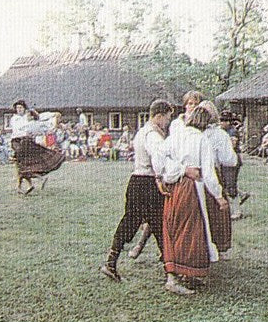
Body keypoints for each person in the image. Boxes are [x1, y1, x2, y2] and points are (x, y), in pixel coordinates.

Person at [160, 103, 229, 296]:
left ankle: (183, 275)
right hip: (191, 188)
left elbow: (159, 157)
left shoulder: (175, 136)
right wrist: (219, 196)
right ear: (206, 124)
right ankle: (178, 277)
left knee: (174, 227)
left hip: (174, 187)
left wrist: (167, 173)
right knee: (190, 231)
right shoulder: (201, 140)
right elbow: (208, 172)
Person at [100, 100, 172, 284]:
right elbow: (158, 157)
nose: (168, 122)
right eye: (167, 117)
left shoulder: (144, 131)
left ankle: (111, 262)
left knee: (137, 222)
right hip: (147, 182)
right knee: (157, 224)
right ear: (159, 116)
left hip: (138, 181)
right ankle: (170, 270)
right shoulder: (152, 135)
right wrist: (163, 176)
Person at [199, 101, 238, 256]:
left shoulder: (188, 133)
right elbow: (229, 159)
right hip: (211, 174)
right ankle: (216, 245)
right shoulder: (219, 134)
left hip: (192, 176)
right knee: (215, 212)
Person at [9, 101, 64, 194]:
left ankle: (34, 181)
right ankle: (30, 184)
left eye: (21, 108)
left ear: (24, 108)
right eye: (17, 108)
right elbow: (16, 130)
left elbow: (41, 116)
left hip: (25, 142)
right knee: (22, 165)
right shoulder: (14, 119)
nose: (19, 109)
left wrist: (54, 114)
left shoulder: (28, 117)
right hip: (17, 141)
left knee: (23, 165)